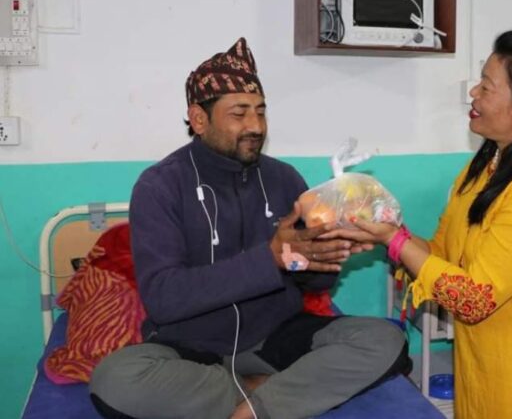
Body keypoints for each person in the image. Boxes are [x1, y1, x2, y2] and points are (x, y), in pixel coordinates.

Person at [89, 37, 409, 419]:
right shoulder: (160, 187)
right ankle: (262, 390)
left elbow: (315, 285)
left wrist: (322, 252)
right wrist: (269, 258)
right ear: (199, 119)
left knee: (385, 340)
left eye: (260, 112)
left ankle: (256, 407)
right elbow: (163, 297)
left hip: (275, 337)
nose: (255, 126)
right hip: (191, 349)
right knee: (114, 381)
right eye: (239, 114)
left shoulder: (284, 179)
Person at [333, 30, 512, 418]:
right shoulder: (484, 169)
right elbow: (444, 254)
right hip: (487, 367)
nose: (473, 93)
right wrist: (387, 230)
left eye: (487, 86)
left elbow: (475, 298)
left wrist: (396, 241)